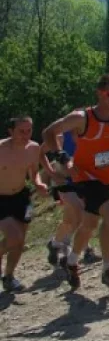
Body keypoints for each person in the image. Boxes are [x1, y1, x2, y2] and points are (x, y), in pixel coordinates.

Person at [42, 74, 109, 289]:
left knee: (89, 223)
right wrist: (63, 158)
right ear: (99, 93)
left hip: (108, 174)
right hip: (85, 174)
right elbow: (48, 132)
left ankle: (71, 261)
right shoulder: (82, 117)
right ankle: (108, 268)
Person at [0, 116, 46, 292]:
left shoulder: (33, 148)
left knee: (19, 242)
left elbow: (34, 173)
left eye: (29, 131)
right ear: (11, 131)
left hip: (21, 197)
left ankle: (9, 276)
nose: (26, 135)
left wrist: (39, 183)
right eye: (21, 131)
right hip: (1, 199)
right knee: (15, 237)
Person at [42, 131, 97, 267]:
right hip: (65, 182)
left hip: (84, 181)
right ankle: (86, 250)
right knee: (79, 214)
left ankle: (55, 243)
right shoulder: (60, 137)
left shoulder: (93, 133)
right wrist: (52, 174)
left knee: (70, 220)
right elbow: (39, 152)